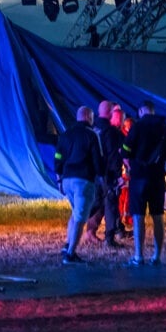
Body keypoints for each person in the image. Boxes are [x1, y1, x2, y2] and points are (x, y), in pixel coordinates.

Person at [122, 100, 166, 265]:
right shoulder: (165, 128)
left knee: (138, 216)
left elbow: (125, 150)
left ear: (140, 112)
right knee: (158, 215)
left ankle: (139, 256)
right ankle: (157, 256)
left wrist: (129, 165)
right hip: (158, 177)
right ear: (153, 111)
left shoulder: (137, 127)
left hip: (139, 176)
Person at [54, 105, 105, 264]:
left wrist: (59, 178)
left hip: (67, 179)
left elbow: (58, 156)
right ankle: (70, 254)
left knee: (75, 213)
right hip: (83, 179)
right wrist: (102, 176)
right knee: (81, 217)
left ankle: (68, 244)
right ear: (89, 117)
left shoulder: (66, 134)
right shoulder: (92, 135)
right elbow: (98, 159)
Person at [86, 100, 126, 247]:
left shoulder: (91, 128)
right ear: (111, 113)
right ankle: (110, 239)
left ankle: (81, 227)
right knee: (110, 204)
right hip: (107, 174)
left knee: (96, 204)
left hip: (91, 174)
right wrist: (117, 176)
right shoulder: (111, 132)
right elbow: (114, 155)